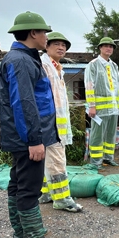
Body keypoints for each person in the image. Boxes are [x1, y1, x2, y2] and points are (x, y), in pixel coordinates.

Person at [0, 11, 55, 238]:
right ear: (33, 33)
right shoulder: (21, 61)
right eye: (44, 32)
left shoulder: (21, 58)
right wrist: (34, 140)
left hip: (18, 136)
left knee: (17, 183)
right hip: (27, 138)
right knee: (30, 189)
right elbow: (24, 102)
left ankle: (20, 234)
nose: (46, 37)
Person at [38, 32, 83, 212]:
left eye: (64, 45)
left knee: (48, 160)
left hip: (55, 123)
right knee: (57, 161)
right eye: (56, 44)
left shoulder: (57, 68)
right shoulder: (44, 66)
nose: (61, 47)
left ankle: (46, 193)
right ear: (46, 46)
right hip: (51, 123)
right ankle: (62, 198)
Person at [84, 37, 119, 169]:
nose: (108, 48)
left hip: (113, 108)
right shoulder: (93, 64)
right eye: (105, 46)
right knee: (97, 135)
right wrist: (91, 106)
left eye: (111, 46)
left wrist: (118, 105)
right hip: (99, 109)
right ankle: (96, 161)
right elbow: (89, 86)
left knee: (111, 134)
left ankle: (108, 158)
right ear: (100, 48)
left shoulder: (114, 65)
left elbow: (117, 86)